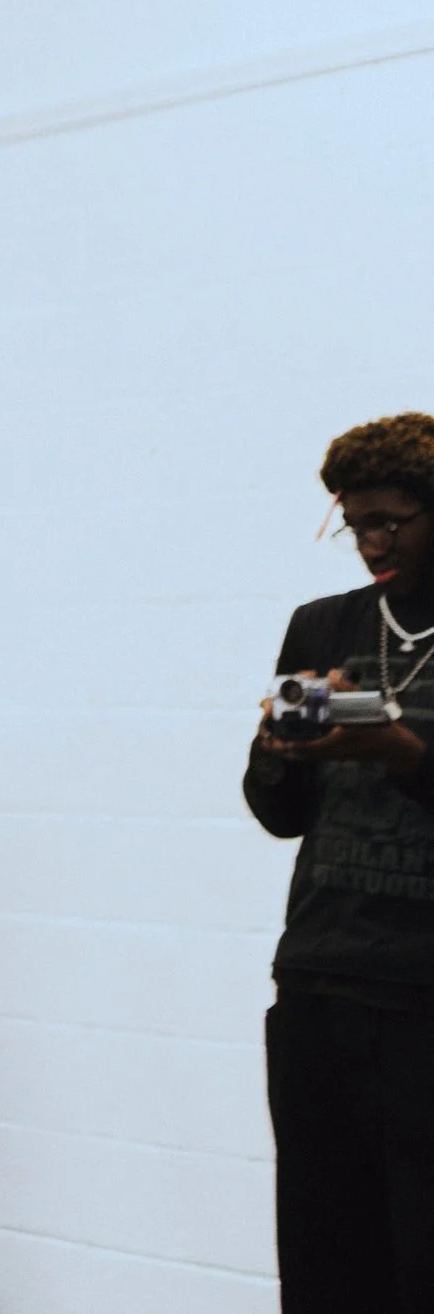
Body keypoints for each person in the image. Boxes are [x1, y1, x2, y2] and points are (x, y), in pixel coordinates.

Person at [246, 413, 434, 1313]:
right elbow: (277, 815)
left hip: (425, 997)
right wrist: (277, 751)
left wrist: (401, 752)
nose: (368, 543)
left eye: (390, 521)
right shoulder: (321, 627)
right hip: (322, 982)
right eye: (352, 521)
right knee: (325, 1264)